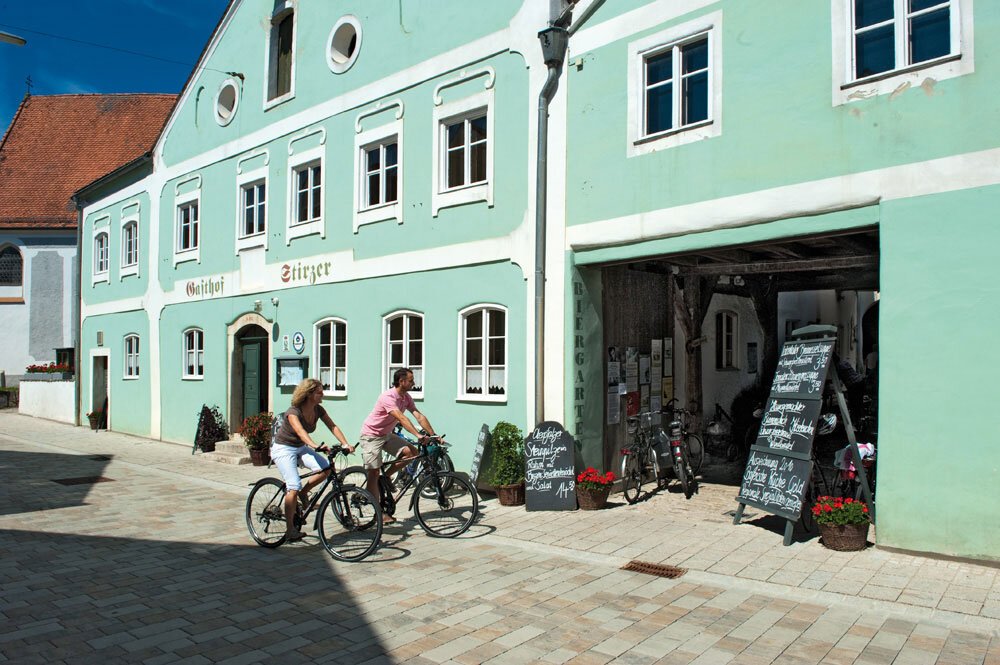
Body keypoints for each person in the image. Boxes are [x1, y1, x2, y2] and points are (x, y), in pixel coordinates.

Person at [271, 378, 353, 541]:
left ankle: (303, 493)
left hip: (300, 447)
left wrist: (345, 443)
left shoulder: (318, 409)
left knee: (327, 469)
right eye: (320, 392)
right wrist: (315, 446)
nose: (323, 394)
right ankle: (290, 530)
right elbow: (301, 432)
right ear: (309, 394)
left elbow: (332, 426)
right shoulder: (293, 412)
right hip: (283, 448)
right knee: (293, 485)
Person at [360, 367, 438, 524]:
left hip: (387, 434)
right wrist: (417, 435)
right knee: (373, 472)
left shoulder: (406, 397)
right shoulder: (388, 397)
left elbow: (418, 415)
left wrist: (433, 434)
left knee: (412, 452)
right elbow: (401, 418)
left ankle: (386, 476)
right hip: (371, 435)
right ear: (401, 381)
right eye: (411, 380)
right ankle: (378, 511)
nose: (414, 383)